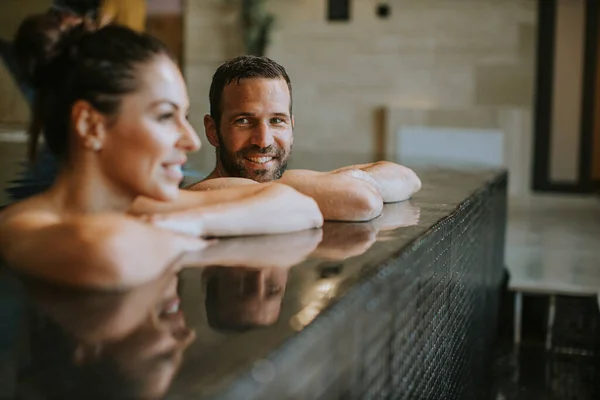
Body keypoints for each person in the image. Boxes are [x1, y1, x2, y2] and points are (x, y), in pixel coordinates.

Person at [0, 17, 323, 282]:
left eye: (183, 116)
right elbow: (109, 254)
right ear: (91, 125)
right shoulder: (21, 229)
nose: (192, 140)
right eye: (165, 116)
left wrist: (192, 225)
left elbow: (298, 207)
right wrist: (202, 228)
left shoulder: (139, 207)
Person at [187, 55, 422, 222]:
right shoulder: (204, 194)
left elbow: (408, 178)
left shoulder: (285, 192)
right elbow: (361, 201)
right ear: (213, 130)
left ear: (292, 126)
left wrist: (345, 179)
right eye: (244, 121)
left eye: (277, 120)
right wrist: (340, 184)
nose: (263, 140)